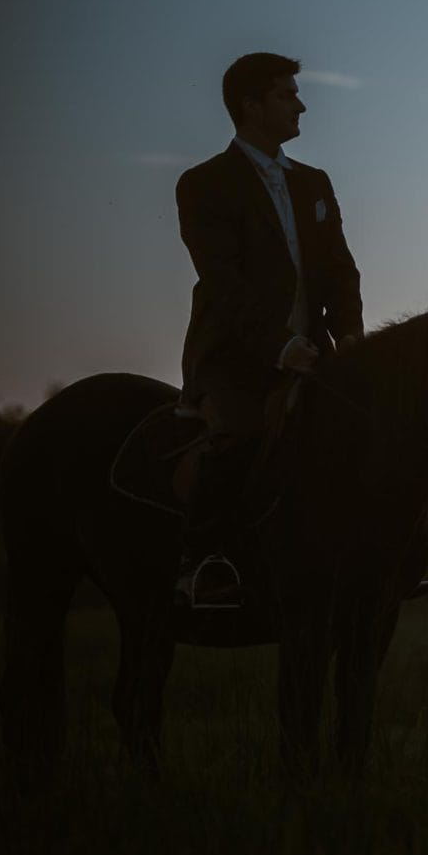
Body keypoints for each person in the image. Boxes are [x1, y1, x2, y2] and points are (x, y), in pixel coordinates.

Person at [175, 52, 364, 607]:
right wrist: (280, 348)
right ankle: (202, 561)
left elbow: (339, 269)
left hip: (318, 353)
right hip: (235, 359)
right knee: (241, 434)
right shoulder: (204, 184)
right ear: (249, 105)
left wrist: (348, 334)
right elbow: (225, 284)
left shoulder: (314, 182)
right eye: (287, 94)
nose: (300, 103)